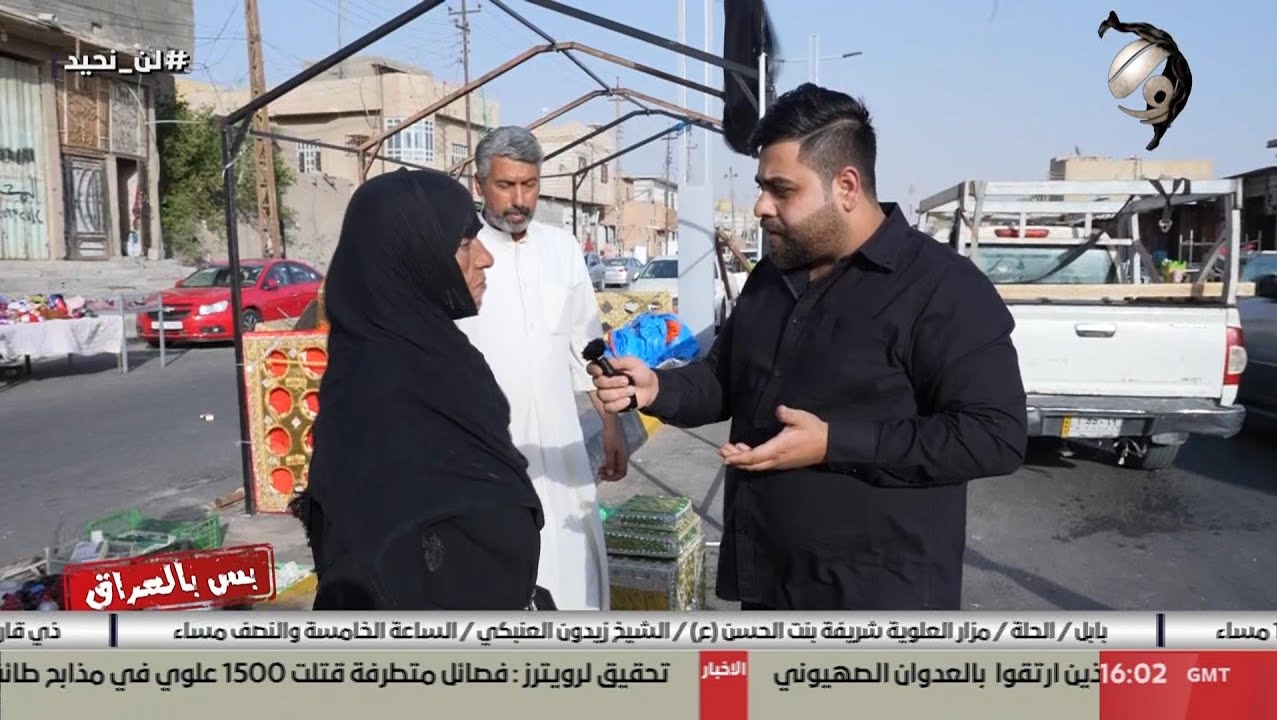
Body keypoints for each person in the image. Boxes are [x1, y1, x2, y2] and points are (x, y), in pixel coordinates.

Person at [590, 84, 1028, 611]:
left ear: (846, 185)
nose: (759, 206)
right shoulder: (773, 277)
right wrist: (657, 387)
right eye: (760, 186)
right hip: (769, 587)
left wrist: (833, 442)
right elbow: (725, 381)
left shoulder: (942, 289)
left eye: (781, 189)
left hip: (877, 606)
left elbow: (995, 436)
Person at [295, 168, 545, 610]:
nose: (485, 257)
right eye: (465, 244)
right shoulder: (385, 392)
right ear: (414, 259)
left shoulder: (437, 363)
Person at [456, 126, 626, 611]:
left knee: (574, 569)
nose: (519, 199)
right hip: (487, 450)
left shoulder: (563, 249)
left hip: (560, 447)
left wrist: (612, 427)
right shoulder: (461, 255)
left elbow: (588, 349)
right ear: (479, 184)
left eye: (529, 185)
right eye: (506, 185)